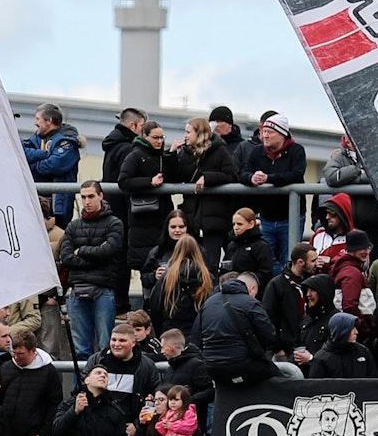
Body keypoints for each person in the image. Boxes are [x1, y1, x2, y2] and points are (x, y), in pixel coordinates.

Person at [59, 181, 125, 360]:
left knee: (107, 348)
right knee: (81, 350)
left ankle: (106, 387)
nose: (87, 201)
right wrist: (96, 256)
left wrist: (82, 251)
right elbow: (66, 258)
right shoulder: (73, 226)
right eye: (83, 197)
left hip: (103, 290)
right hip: (77, 291)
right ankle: (81, 388)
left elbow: (109, 251)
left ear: (101, 196)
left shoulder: (114, 224)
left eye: (91, 196)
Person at [119, 120, 177, 315]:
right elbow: (124, 181)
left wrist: (171, 155)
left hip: (160, 217)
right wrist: (148, 182)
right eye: (155, 138)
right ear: (144, 136)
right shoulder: (135, 155)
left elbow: (172, 177)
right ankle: (147, 306)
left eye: (162, 138)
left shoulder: (161, 155)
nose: (160, 141)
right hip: (142, 219)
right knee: (147, 267)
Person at [237, 114, 305, 268]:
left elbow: (296, 174)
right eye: (263, 131)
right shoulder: (257, 151)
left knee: (290, 261)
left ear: (282, 134)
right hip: (266, 216)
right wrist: (251, 178)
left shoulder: (297, 151)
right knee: (266, 261)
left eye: (270, 132)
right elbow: (243, 172)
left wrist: (269, 178)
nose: (265, 135)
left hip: (291, 216)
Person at [194, 273, 278, 386]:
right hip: (242, 363)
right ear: (251, 289)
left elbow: (196, 338)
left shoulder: (208, 303)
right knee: (278, 380)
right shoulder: (250, 303)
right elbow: (269, 336)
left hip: (212, 366)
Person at [178, 117, 239, 266]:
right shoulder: (184, 153)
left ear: (199, 134)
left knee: (210, 264)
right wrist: (170, 155)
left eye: (188, 132)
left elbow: (232, 175)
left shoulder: (219, 150)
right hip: (191, 217)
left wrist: (208, 178)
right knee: (190, 264)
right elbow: (175, 176)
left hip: (214, 219)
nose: (185, 136)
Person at [0, 330, 62, 436]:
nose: (16, 358)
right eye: (13, 353)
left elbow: (54, 404)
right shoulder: (5, 368)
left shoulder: (49, 372)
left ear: (33, 351)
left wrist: (44, 435)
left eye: (21, 354)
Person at [23, 103, 82, 225]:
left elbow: (53, 165)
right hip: (33, 203)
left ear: (49, 121)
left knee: (56, 241)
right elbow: (20, 152)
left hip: (57, 209)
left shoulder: (68, 142)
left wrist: (31, 166)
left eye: (37, 119)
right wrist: (45, 154)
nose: (35, 123)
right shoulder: (36, 139)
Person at [54, 367, 130, 436]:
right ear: (87, 380)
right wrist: (74, 412)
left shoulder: (115, 412)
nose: (102, 375)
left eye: (105, 375)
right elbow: (57, 431)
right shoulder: (69, 404)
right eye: (98, 373)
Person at [148, 234, 213, 338]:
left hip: (170, 331)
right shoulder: (206, 278)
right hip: (197, 332)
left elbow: (155, 306)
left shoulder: (167, 278)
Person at [260, 244, 311, 360]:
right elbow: (268, 317)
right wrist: (277, 348)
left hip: (306, 347)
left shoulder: (313, 282)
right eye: (313, 261)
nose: (316, 264)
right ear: (301, 262)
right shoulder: (277, 285)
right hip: (285, 349)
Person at [134, 385, 200, 436]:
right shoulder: (153, 418)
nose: (156, 403)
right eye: (155, 400)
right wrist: (142, 425)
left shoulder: (186, 417)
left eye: (161, 399)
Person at [309, 312, 378, 379]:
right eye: (352, 329)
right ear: (341, 331)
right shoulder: (321, 358)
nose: (356, 332)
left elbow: (374, 382)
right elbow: (315, 387)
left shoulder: (363, 352)